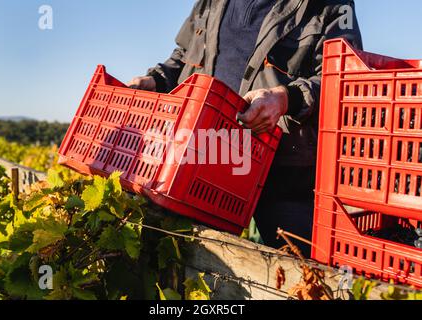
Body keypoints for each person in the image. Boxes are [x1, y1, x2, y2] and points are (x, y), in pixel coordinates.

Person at [128, 0, 362, 255]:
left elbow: (344, 77)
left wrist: (286, 98)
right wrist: (157, 79)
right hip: (202, 165)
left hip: (282, 170)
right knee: (180, 260)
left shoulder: (331, 5)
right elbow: (183, 56)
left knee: (303, 271)